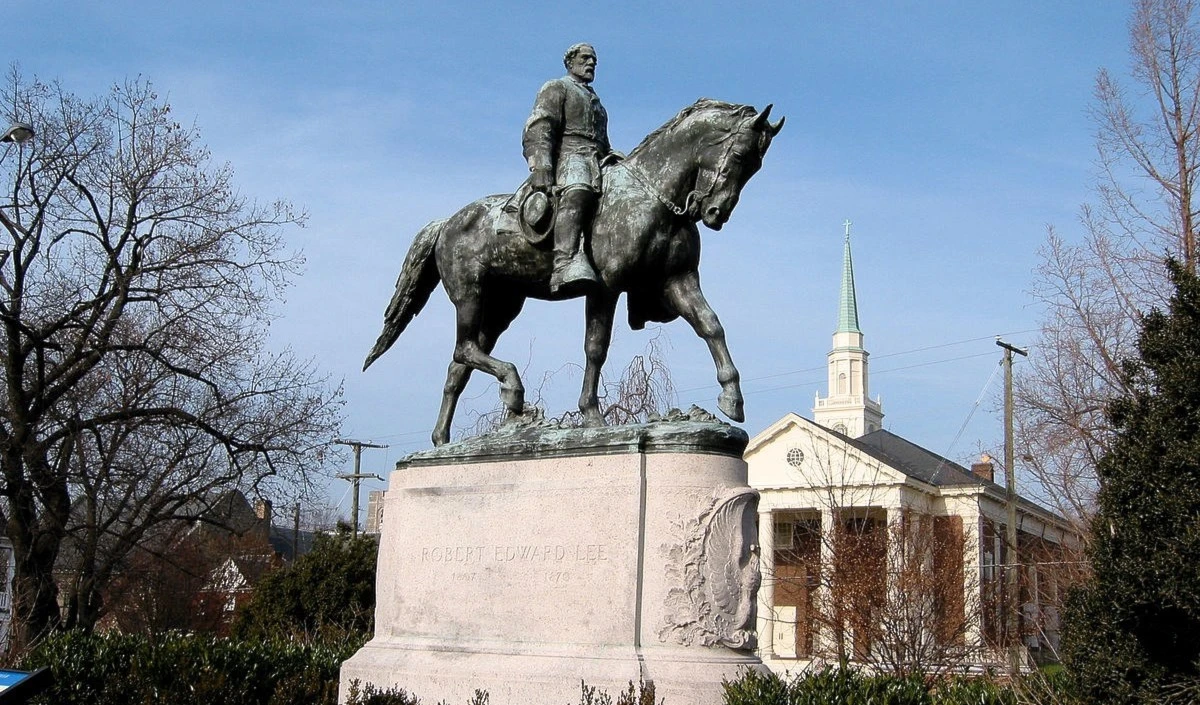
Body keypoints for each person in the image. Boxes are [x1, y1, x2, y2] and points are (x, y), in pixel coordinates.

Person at [523, 43, 614, 294]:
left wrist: (613, 157)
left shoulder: (598, 103)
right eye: (586, 58)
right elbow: (539, 127)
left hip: (597, 160)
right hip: (569, 158)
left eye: (594, 59)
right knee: (578, 190)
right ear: (570, 62)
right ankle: (564, 263)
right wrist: (540, 165)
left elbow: (603, 141)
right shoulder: (557, 87)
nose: (591, 63)